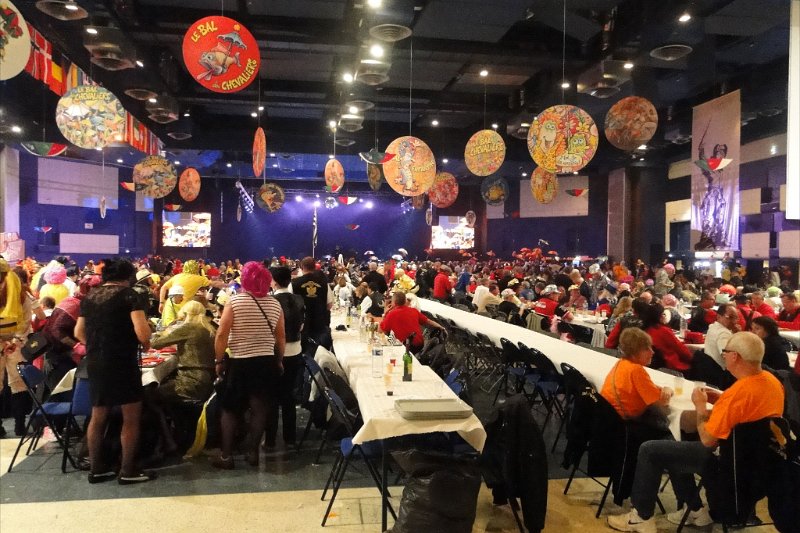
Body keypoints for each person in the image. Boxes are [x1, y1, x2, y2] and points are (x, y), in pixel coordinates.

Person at [607, 332, 784, 533]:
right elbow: (747, 411)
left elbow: (708, 439)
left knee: (650, 450)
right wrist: (721, 399)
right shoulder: (772, 382)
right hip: (757, 461)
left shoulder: (738, 393)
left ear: (735, 356)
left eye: (725, 352)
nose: (723, 356)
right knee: (676, 440)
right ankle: (695, 510)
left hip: (726, 460)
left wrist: (700, 408)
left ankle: (641, 517)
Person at [74, 259, 156, 485]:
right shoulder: (130, 296)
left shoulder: (90, 297)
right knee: (131, 417)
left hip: (96, 362)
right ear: (128, 276)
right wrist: (142, 341)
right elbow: (143, 333)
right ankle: (128, 470)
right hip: (122, 362)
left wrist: (98, 344)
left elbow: (78, 332)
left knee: (98, 416)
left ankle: (96, 468)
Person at [213, 262, 285, 469]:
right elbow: (280, 337)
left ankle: (226, 456)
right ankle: (253, 453)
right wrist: (279, 360)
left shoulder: (235, 302)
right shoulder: (274, 304)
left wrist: (219, 360)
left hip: (240, 361)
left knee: (230, 409)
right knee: (259, 409)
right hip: (265, 362)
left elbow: (222, 334)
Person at [600, 328, 673, 427]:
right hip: (620, 424)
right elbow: (662, 403)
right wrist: (668, 390)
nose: (652, 352)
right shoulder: (636, 370)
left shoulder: (621, 363)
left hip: (605, 417)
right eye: (646, 349)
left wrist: (660, 389)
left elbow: (646, 387)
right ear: (634, 352)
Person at [267, 266, 305, 449]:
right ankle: (290, 438)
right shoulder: (299, 299)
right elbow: (301, 326)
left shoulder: (270, 302)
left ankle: (270, 440)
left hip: (275, 353)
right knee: (289, 395)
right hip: (295, 350)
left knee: (272, 396)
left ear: (274, 281)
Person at [150, 300, 216, 403]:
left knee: (150, 393)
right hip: (208, 379)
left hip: (190, 381)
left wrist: (163, 330)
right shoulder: (209, 328)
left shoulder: (188, 328)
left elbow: (155, 343)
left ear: (185, 314)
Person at [0, 259, 31, 437]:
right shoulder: (21, 293)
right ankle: (20, 425)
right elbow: (26, 320)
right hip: (15, 342)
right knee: (18, 382)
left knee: (14, 382)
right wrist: (15, 341)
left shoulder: (20, 293)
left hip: (11, 342)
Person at [380, 292, 445, 352]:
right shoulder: (414, 310)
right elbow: (428, 321)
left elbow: (381, 331)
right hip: (420, 345)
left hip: (407, 346)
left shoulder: (391, 314)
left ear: (393, 302)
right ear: (405, 301)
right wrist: (441, 327)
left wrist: (385, 314)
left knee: (385, 343)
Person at [292, 257, 332, 351]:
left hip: (302, 326)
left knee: (305, 353)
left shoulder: (294, 283)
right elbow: (329, 305)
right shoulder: (323, 282)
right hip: (319, 324)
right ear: (314, 267)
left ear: (302, 267)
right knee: (320, 353)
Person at [641, 303, 693, 373]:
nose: (664, 316)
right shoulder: (663, 331)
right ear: (659, 316)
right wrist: (692, 358)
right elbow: (680, 348)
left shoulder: (644, 330)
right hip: (672, 365)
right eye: (663, 314)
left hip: (653, 365)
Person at [704, 303, 739, 370]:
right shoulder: (723, 333)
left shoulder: (712, 327)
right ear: (718, 317)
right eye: (730, 317)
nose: (734, 321)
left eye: (736, 318)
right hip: (723, 372)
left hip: (710, 368)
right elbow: (727, 356)